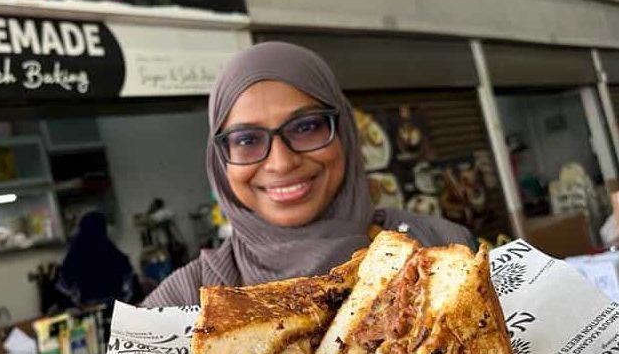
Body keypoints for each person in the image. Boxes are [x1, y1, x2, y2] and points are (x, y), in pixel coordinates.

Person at [142, 42, 474, 307]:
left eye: (306, 127)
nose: (282, 163)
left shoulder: (441, 248)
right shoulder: (181, 303)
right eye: (246, 140)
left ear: (344, 131)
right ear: (220, 159)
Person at [59, 211, 141, 307]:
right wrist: (124, 300)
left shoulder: (75, 253)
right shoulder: (110, 251)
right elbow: (129, 278)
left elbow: (64, 285)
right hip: (114, 303)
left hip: (89, 306)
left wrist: (77, 301)